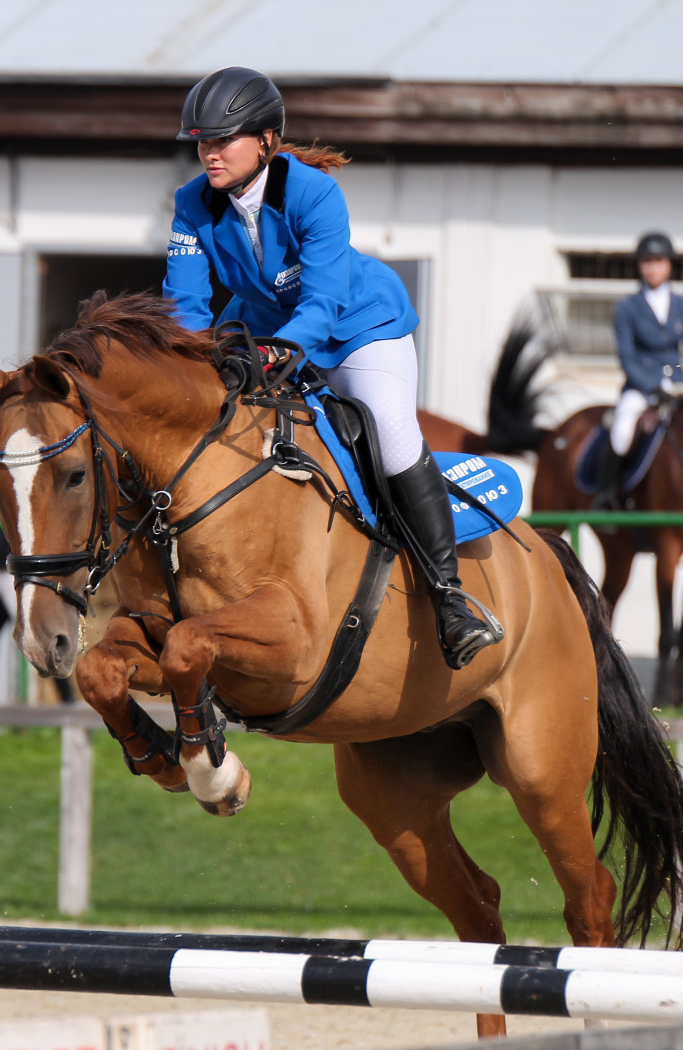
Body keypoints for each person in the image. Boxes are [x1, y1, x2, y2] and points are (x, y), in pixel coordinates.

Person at [164, 67, 498, 669]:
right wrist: (194, 366)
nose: (208, 153)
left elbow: (321, 300)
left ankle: (451, 599)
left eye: (222, 140)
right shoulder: (191, 205)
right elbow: (186, 307)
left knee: (392, 435)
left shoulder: (315, 194)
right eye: (202, 142)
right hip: (265, 331)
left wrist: (281, 351)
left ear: (266, 141)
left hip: (358, 327)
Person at [599, 231, 683, 506]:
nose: (653, 267)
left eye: (658, 260)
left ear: (669, 264)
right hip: (641, 388)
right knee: (622, 434)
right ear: (639, 265)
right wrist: (652, 388)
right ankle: (610, 497)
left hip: (678, 385)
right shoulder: (627, 307)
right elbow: (627, 358)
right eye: (647, 261)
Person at [0, 528, 74, 704]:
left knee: (42, 640)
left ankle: (68, 700)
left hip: (14, 577)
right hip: (5, 578)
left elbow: (3, 532)